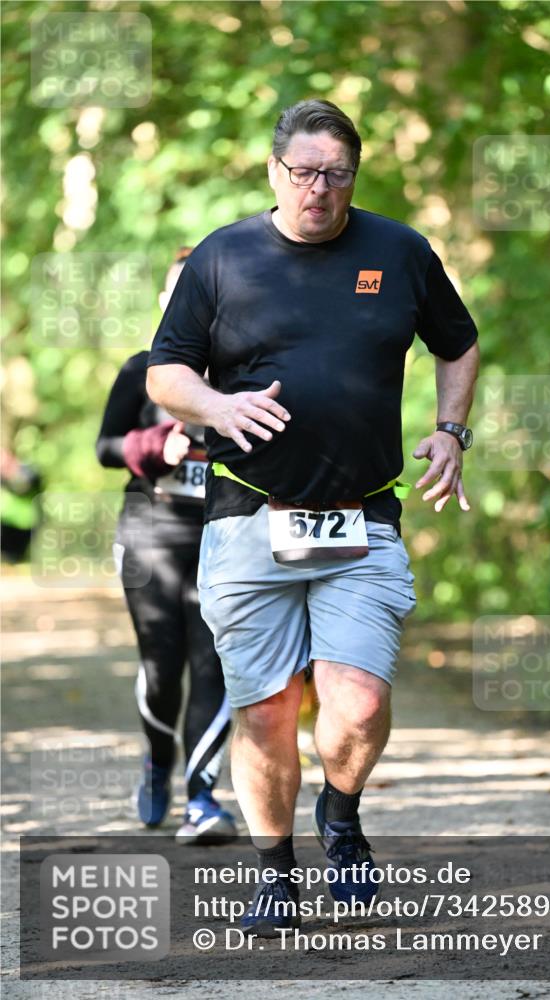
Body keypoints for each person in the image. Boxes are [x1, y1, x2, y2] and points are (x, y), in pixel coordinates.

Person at [146, 99, 479, 932]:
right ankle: (274, 870)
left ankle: (341, 812)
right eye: (303, 173)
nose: (319, 190)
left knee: (357, 702)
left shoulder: (398, 251)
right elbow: (165, 371)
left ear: (353, 178)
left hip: (362, 516)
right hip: (247, 514)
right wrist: (217, 408)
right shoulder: (222, 258)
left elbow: (458, 343)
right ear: (274, 171)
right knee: (264, 711)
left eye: (335, 174)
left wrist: (450, 433)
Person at [96, 248, 237, 844]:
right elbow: (105, 447)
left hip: (226, 537)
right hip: (150, 536)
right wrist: (155, 445)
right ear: (163, 303)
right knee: (162, 670)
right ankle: (158, 760)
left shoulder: (242, 374)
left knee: (214, 666)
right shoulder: (141, 370)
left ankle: (202, 798)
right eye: (178, 294)